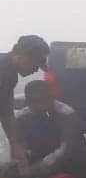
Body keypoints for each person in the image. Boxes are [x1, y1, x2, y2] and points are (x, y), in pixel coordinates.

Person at [0, 35, 51, 168]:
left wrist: (15, 144)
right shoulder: (3, 71)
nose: (35, 69)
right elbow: (6, 114)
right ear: (18, 52)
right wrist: (16, 145)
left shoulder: (9, 72)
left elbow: (6, 111)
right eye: (34, 61)